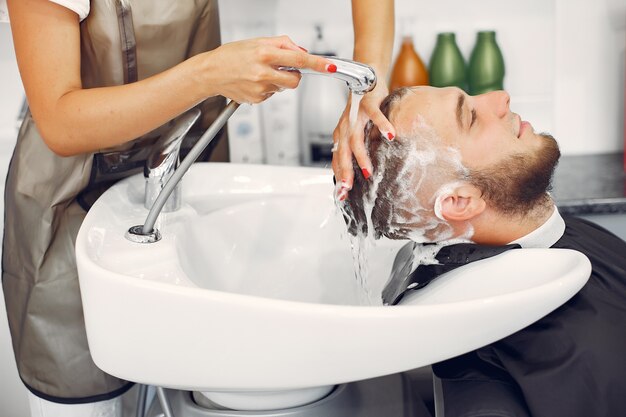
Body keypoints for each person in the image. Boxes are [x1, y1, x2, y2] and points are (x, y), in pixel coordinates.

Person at [0, 0, 395, 415]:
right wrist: (210, 74)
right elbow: (61, 121)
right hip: (71, 215)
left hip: (184, 190)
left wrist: (367, 85)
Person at [344, 86, 626, 416]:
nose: (502, 97)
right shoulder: (488, 375)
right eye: (472, 117)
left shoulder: (562, 233)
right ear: (460, 201)